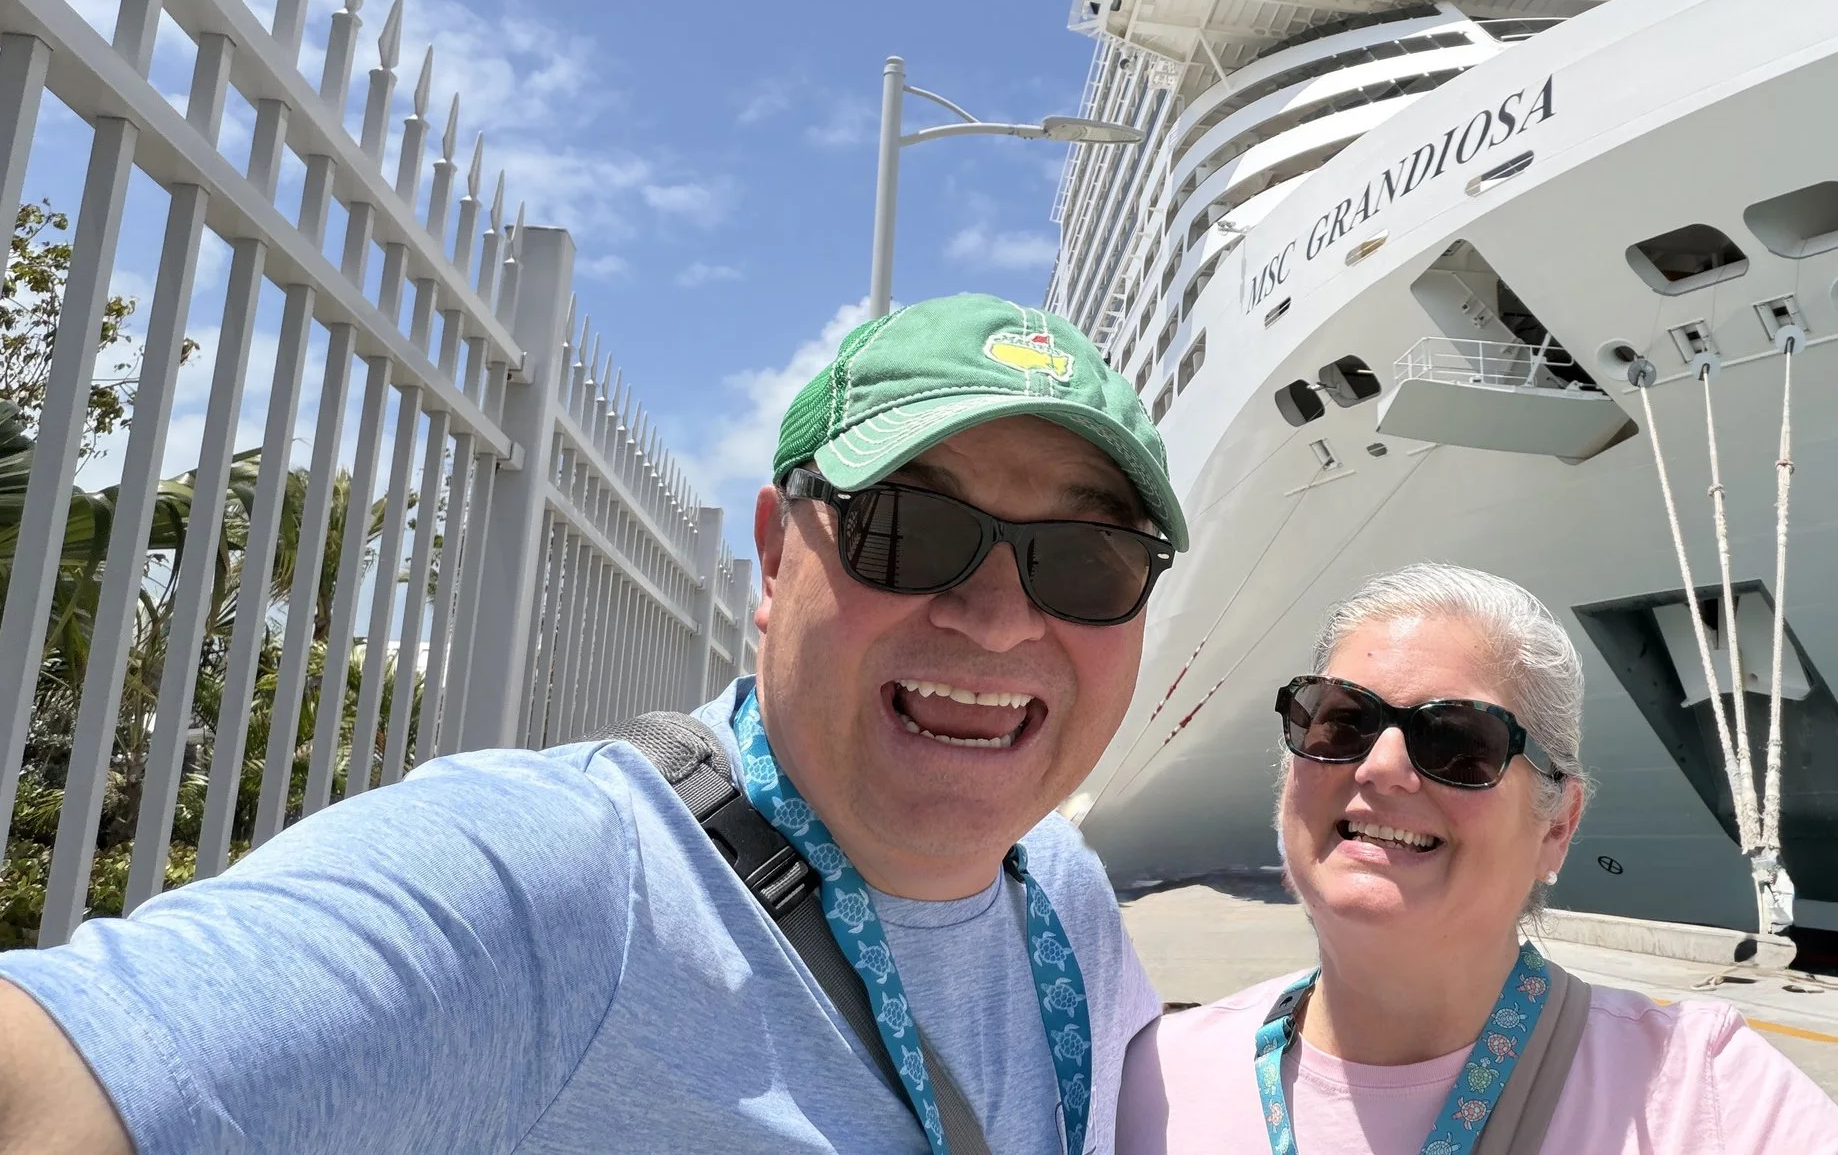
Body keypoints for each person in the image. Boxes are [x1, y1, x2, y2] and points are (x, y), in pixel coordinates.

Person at [0, 294, 1182, 1153]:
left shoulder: (1059, 890)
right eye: (911, 529)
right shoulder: (562, 887)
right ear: (776, 553)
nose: (995, 615)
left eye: (1086, 556)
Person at [1120, 563, 1838, 1154]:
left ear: (1558, 828)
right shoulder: (1149, 1082)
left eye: (1457, 742)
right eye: (1340, 720)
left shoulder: (1693, 1089)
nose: (1379, 767)